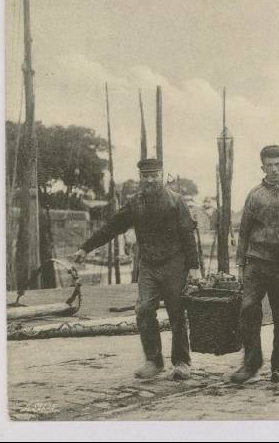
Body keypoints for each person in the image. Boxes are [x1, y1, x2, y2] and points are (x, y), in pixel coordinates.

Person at [74, 158, 200, 380]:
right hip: (149, 265)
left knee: (177, 313)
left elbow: (188, 235)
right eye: (146, 176)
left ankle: (181, 362)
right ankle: (153, 361)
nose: (150, 179)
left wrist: (194, 267)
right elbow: (111, 228)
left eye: (154, 175)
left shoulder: (176, 201)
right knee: (143, 310)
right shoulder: (135, 203)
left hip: (174, 263)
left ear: (162, 175)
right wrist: (85, 248)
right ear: (141, 178)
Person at [227, 145, 279, 384]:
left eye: (278, 165)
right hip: (256, 262)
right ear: (262, 167)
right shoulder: (254, 195)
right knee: (247, 309)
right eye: (269, 165)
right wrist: (241, 265)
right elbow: (243, 233)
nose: (274, 170)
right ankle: (251, 362)